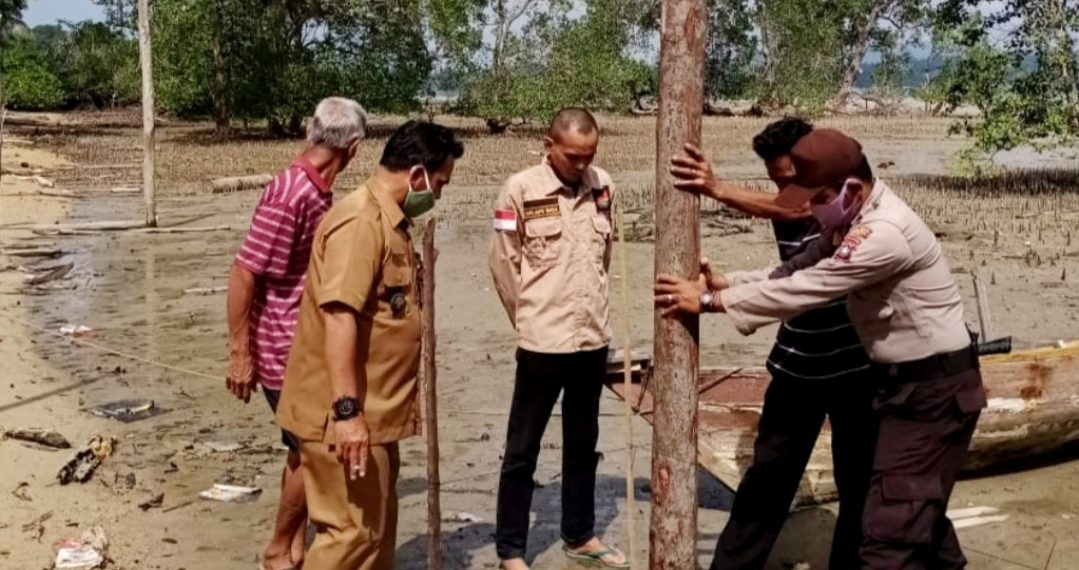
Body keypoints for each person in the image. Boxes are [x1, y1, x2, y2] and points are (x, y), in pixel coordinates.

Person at [655, 128, 986, 570]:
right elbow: (798, 267)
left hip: (931, 391)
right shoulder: (851, 218)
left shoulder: (882, 233)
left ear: (852, 187)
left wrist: (712, 303)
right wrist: (727, 283)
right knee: (911, 509)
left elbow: (812, 287)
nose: (809, 209)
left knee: (889, 534)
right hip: (899, 386)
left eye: (817, 198)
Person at [667, 118, 876, 570]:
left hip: (856, 367)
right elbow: (786, 270)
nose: (789, 192)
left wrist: (717, 189)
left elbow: (793, 215)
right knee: (767, 482)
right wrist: (727, 282)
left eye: (794, 180)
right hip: (798, 362)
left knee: (860, 483)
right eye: (778, 181)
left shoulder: (839, 204)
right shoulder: (797, 201)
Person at [275, 120, 463, 570]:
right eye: (438, 183)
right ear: (417, 174)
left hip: (376, 419)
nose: (436, 194)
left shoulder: (390, 223)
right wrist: (347, 413)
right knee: (350, 536)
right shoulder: (360, 221)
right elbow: (338, 316)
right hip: (343, 418)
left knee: (374, 535)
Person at [226, 96, 368, 570]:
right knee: (312, 450)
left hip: (304, 344)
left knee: (305, 448)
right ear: (354, 148)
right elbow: (245, 272)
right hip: (282, 348)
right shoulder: (292, 193)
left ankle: (294, 550)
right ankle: (277, 549)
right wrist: (239, 353)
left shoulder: (318, 191)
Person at [488, 108, 628, 570]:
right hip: (541, 342)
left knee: (582, 444)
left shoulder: (603, 185)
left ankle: (580, 534)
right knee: (521, 449)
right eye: (572, 156)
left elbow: (603, 257)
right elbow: (503, 265)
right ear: (549, 146)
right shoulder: (520, 189)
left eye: (589, 155)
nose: (581, 165)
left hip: (591, 338)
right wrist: (529, 316)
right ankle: (511, 549)